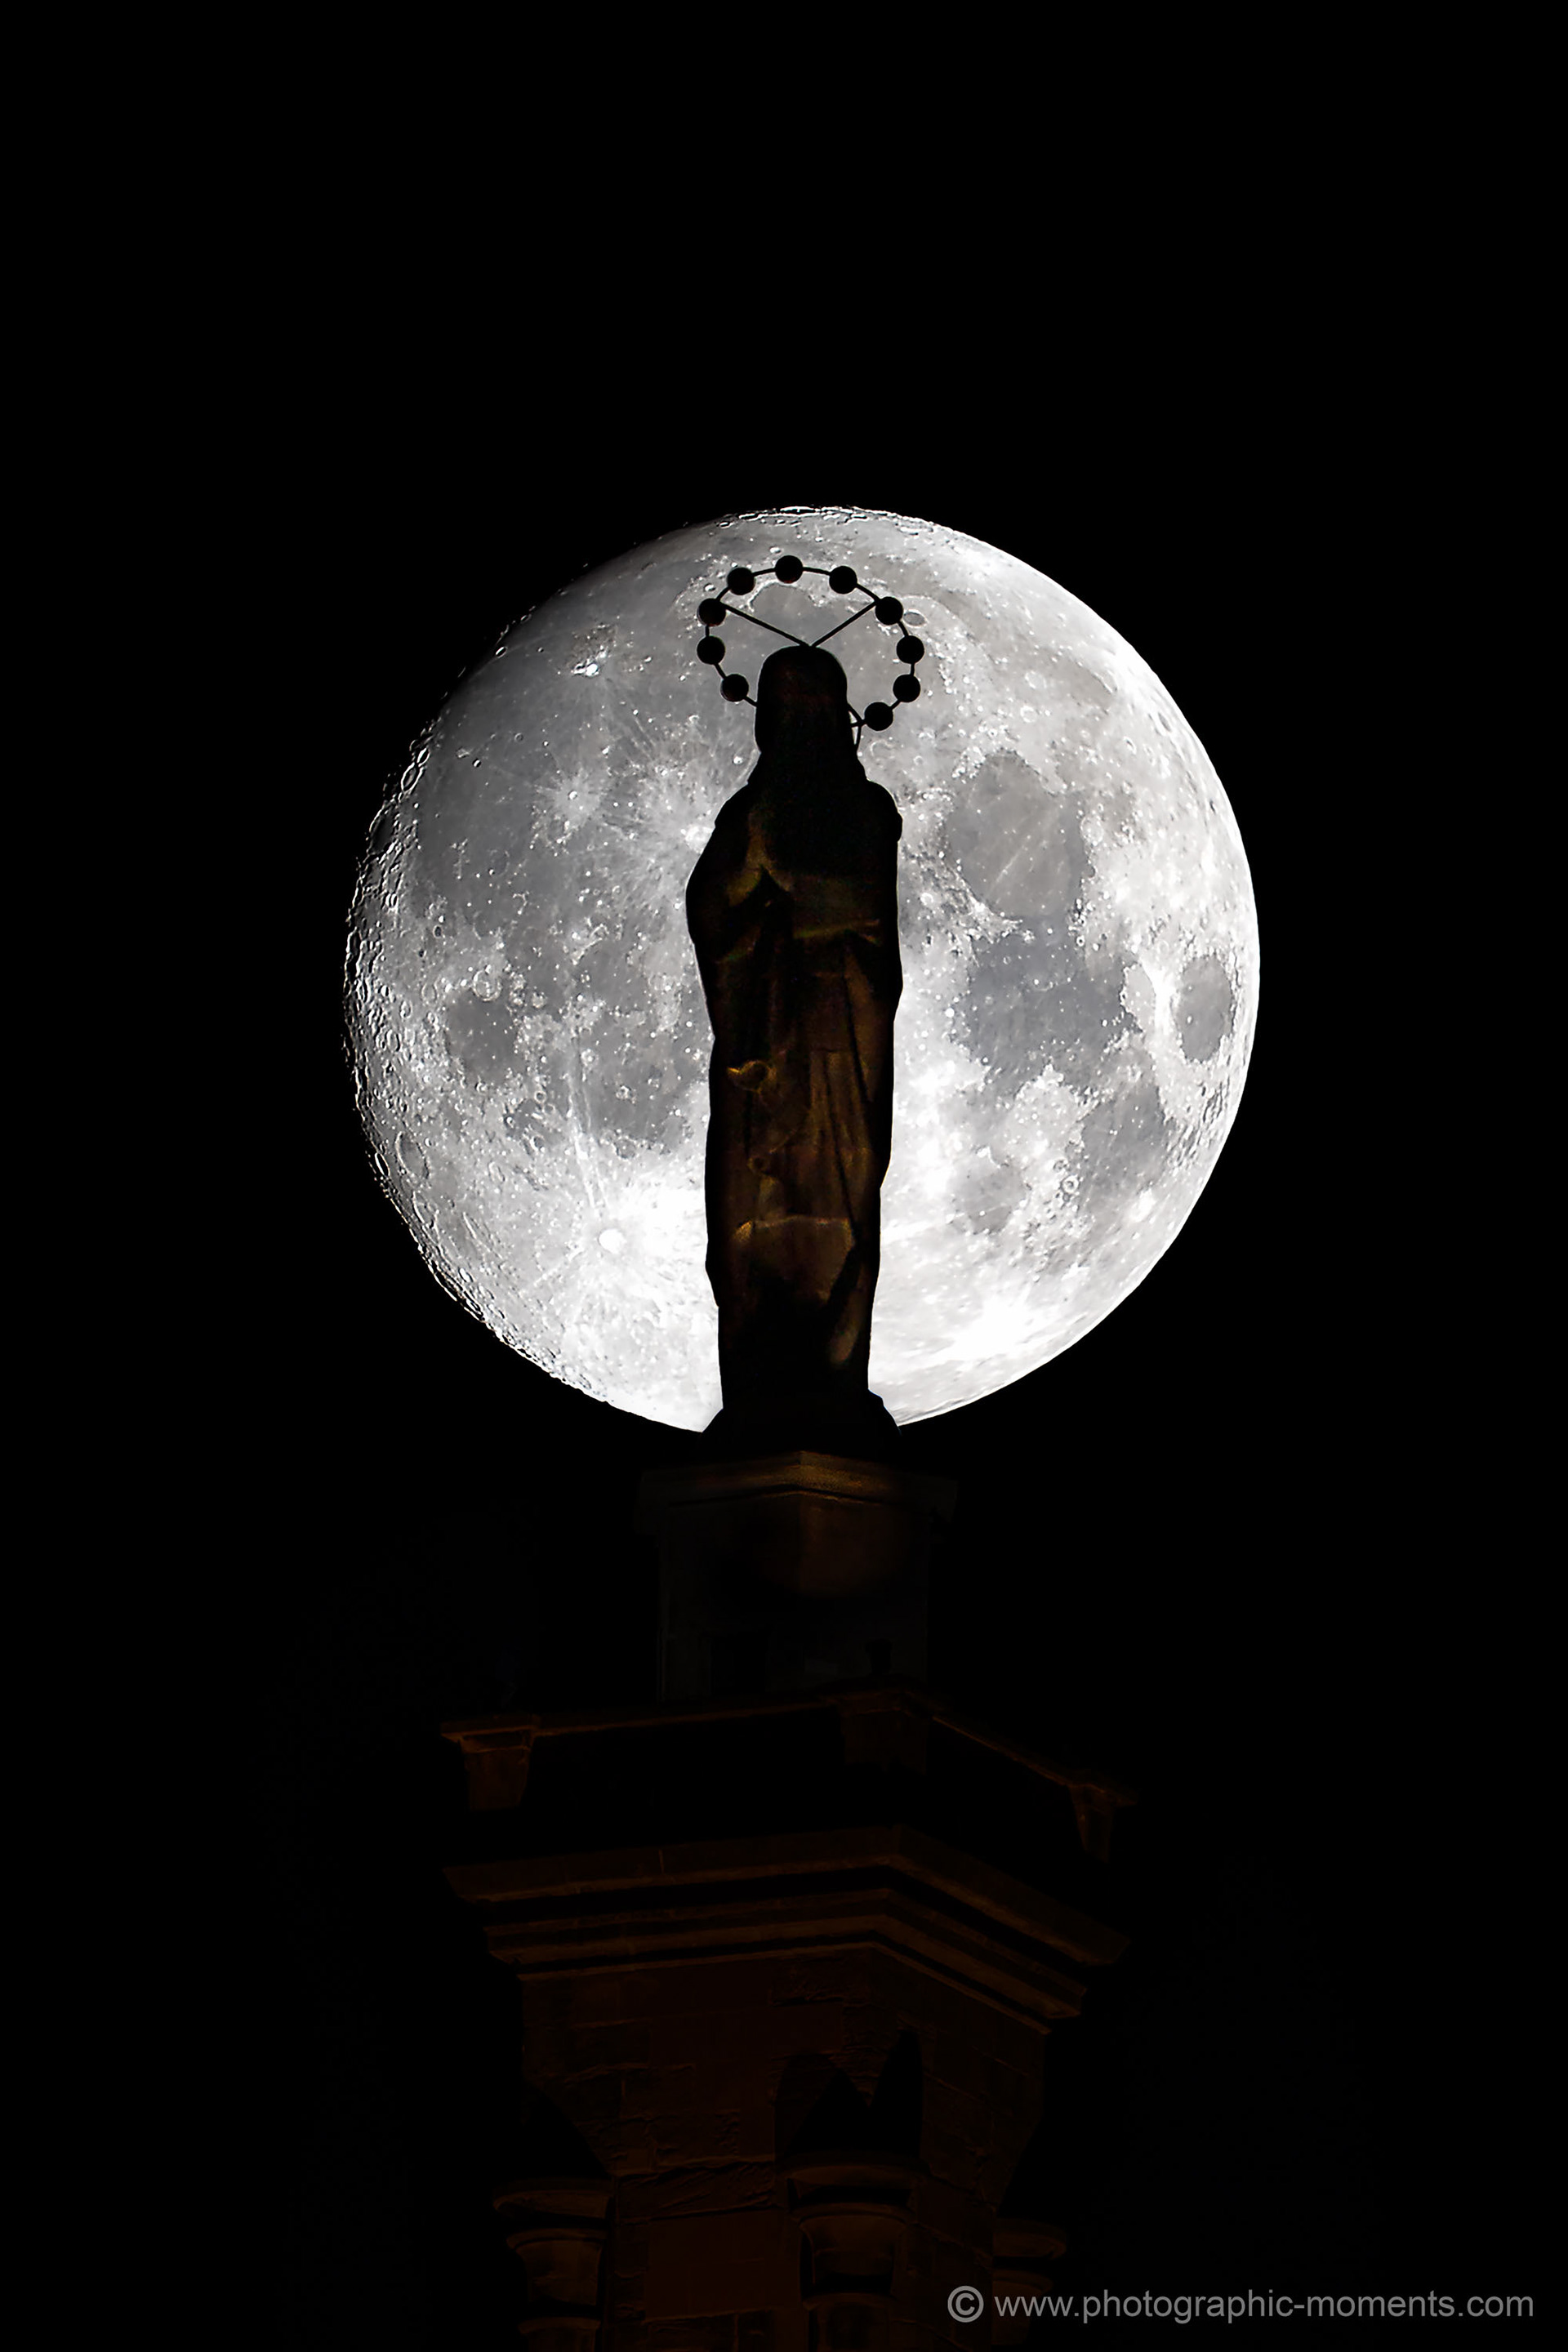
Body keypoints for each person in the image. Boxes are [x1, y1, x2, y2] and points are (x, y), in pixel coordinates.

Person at [685, 644, 903, 1457]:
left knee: (840, 1215)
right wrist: (756, 859)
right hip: (762, 1045)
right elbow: (711, 909)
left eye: (811, 708)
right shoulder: (750, 814)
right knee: (743, 1228)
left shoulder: (864, 810)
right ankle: (759, 1384)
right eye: (787, 709)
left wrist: (769, 863)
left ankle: (832, 1384)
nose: (800, 723)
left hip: (841, 1038)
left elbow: (856, 905)